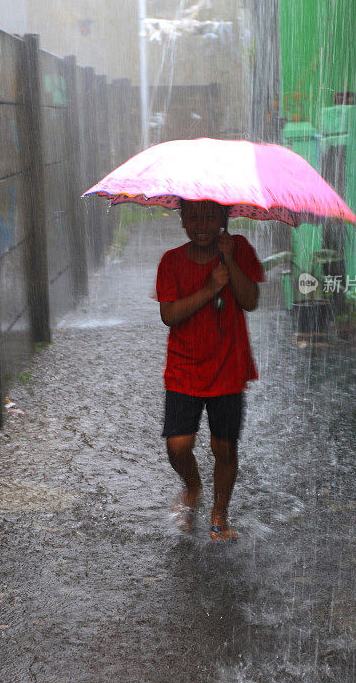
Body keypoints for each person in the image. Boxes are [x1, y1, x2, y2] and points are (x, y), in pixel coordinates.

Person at [156, 199, 264, 542]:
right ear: (182, 219)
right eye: (193, 216)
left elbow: (250, 301)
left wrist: (230, 262)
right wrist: (210, 289)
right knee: (177, 444)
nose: (201, 224)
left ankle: (220, 511)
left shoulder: (238, 249)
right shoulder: (171, 261)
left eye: (209, 216)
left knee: (225, 448)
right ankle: (192, 486)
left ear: (223, 217)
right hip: (184, 367)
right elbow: (170, 315)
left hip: (229, 367)